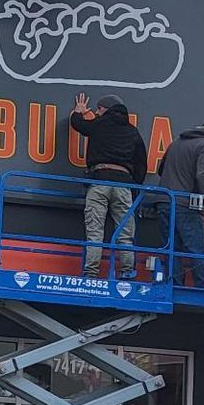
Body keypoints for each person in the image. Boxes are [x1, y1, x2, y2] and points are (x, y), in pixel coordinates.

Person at [68, 92, 148, 278]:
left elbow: (78, 125)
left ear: (105, 109)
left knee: (95, 232)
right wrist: (133, 185)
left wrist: (78, 112)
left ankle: (91, 272)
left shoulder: (100, 124)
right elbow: (141, 164)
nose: (96, 112)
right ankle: (127, 272)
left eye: (98, 109)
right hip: (123, 185)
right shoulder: (132, 131)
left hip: (99, 182)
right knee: (125, 234)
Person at [156, 119, 204, 285]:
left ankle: (174, 284)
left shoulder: (176, 143)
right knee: (195, 248)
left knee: (171, 248)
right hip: (186, 205)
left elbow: (161, 170)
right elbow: (203, 175)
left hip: (163, 201)